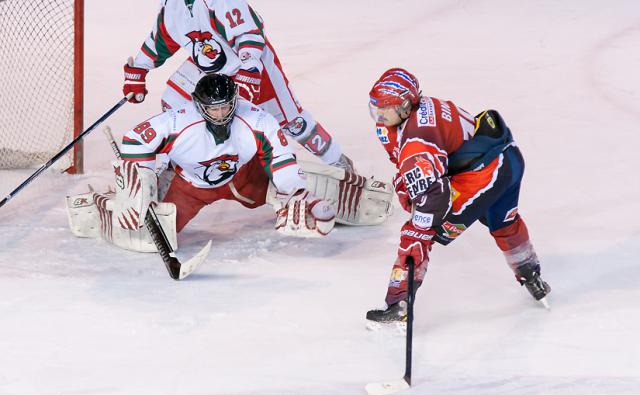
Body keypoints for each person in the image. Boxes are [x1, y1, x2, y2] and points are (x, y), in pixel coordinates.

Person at [365, 68, 551, 323]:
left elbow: (434, 200)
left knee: (420, 232)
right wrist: (407, 182)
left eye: (386, 108)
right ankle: (532, 274)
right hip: (509, 159)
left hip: (485, 176)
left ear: (407, 106)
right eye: (376, 107)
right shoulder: (426, 106)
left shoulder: (418, 140)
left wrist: (416, 210)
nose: (379, 115)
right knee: (504, 222)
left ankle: (399, 303)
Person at [122, 0, 354, 172]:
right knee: (174, 99)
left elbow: (249, 33)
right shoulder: (172, 6)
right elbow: (160, 39)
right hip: (210, 69)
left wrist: (250, 69)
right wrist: (139, 70)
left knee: (291, 122)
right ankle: (170, 166)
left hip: (250, 67)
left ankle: (337, 162)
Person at [118, 73, 335, 237]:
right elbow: (135, 140)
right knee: (149, 234)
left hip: (241, 179)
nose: (221, 114)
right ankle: (100, 206)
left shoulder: (257, 119)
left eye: (226, 106)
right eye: (214, 109)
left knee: (286, 186)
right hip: (190, 187)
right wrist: (141, 186)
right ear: (199, 104)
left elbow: (280, 157)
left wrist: (296, 189)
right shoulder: (177, 121)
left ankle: (297, 199)